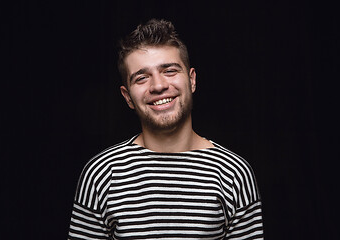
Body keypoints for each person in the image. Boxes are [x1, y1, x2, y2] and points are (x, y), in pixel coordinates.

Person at [68, 19, 264, 240]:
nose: (158, 85)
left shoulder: (234, 174)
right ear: (127, 97)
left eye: (169, 71)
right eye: (142, 77)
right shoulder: (101, 174)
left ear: (192, 81)